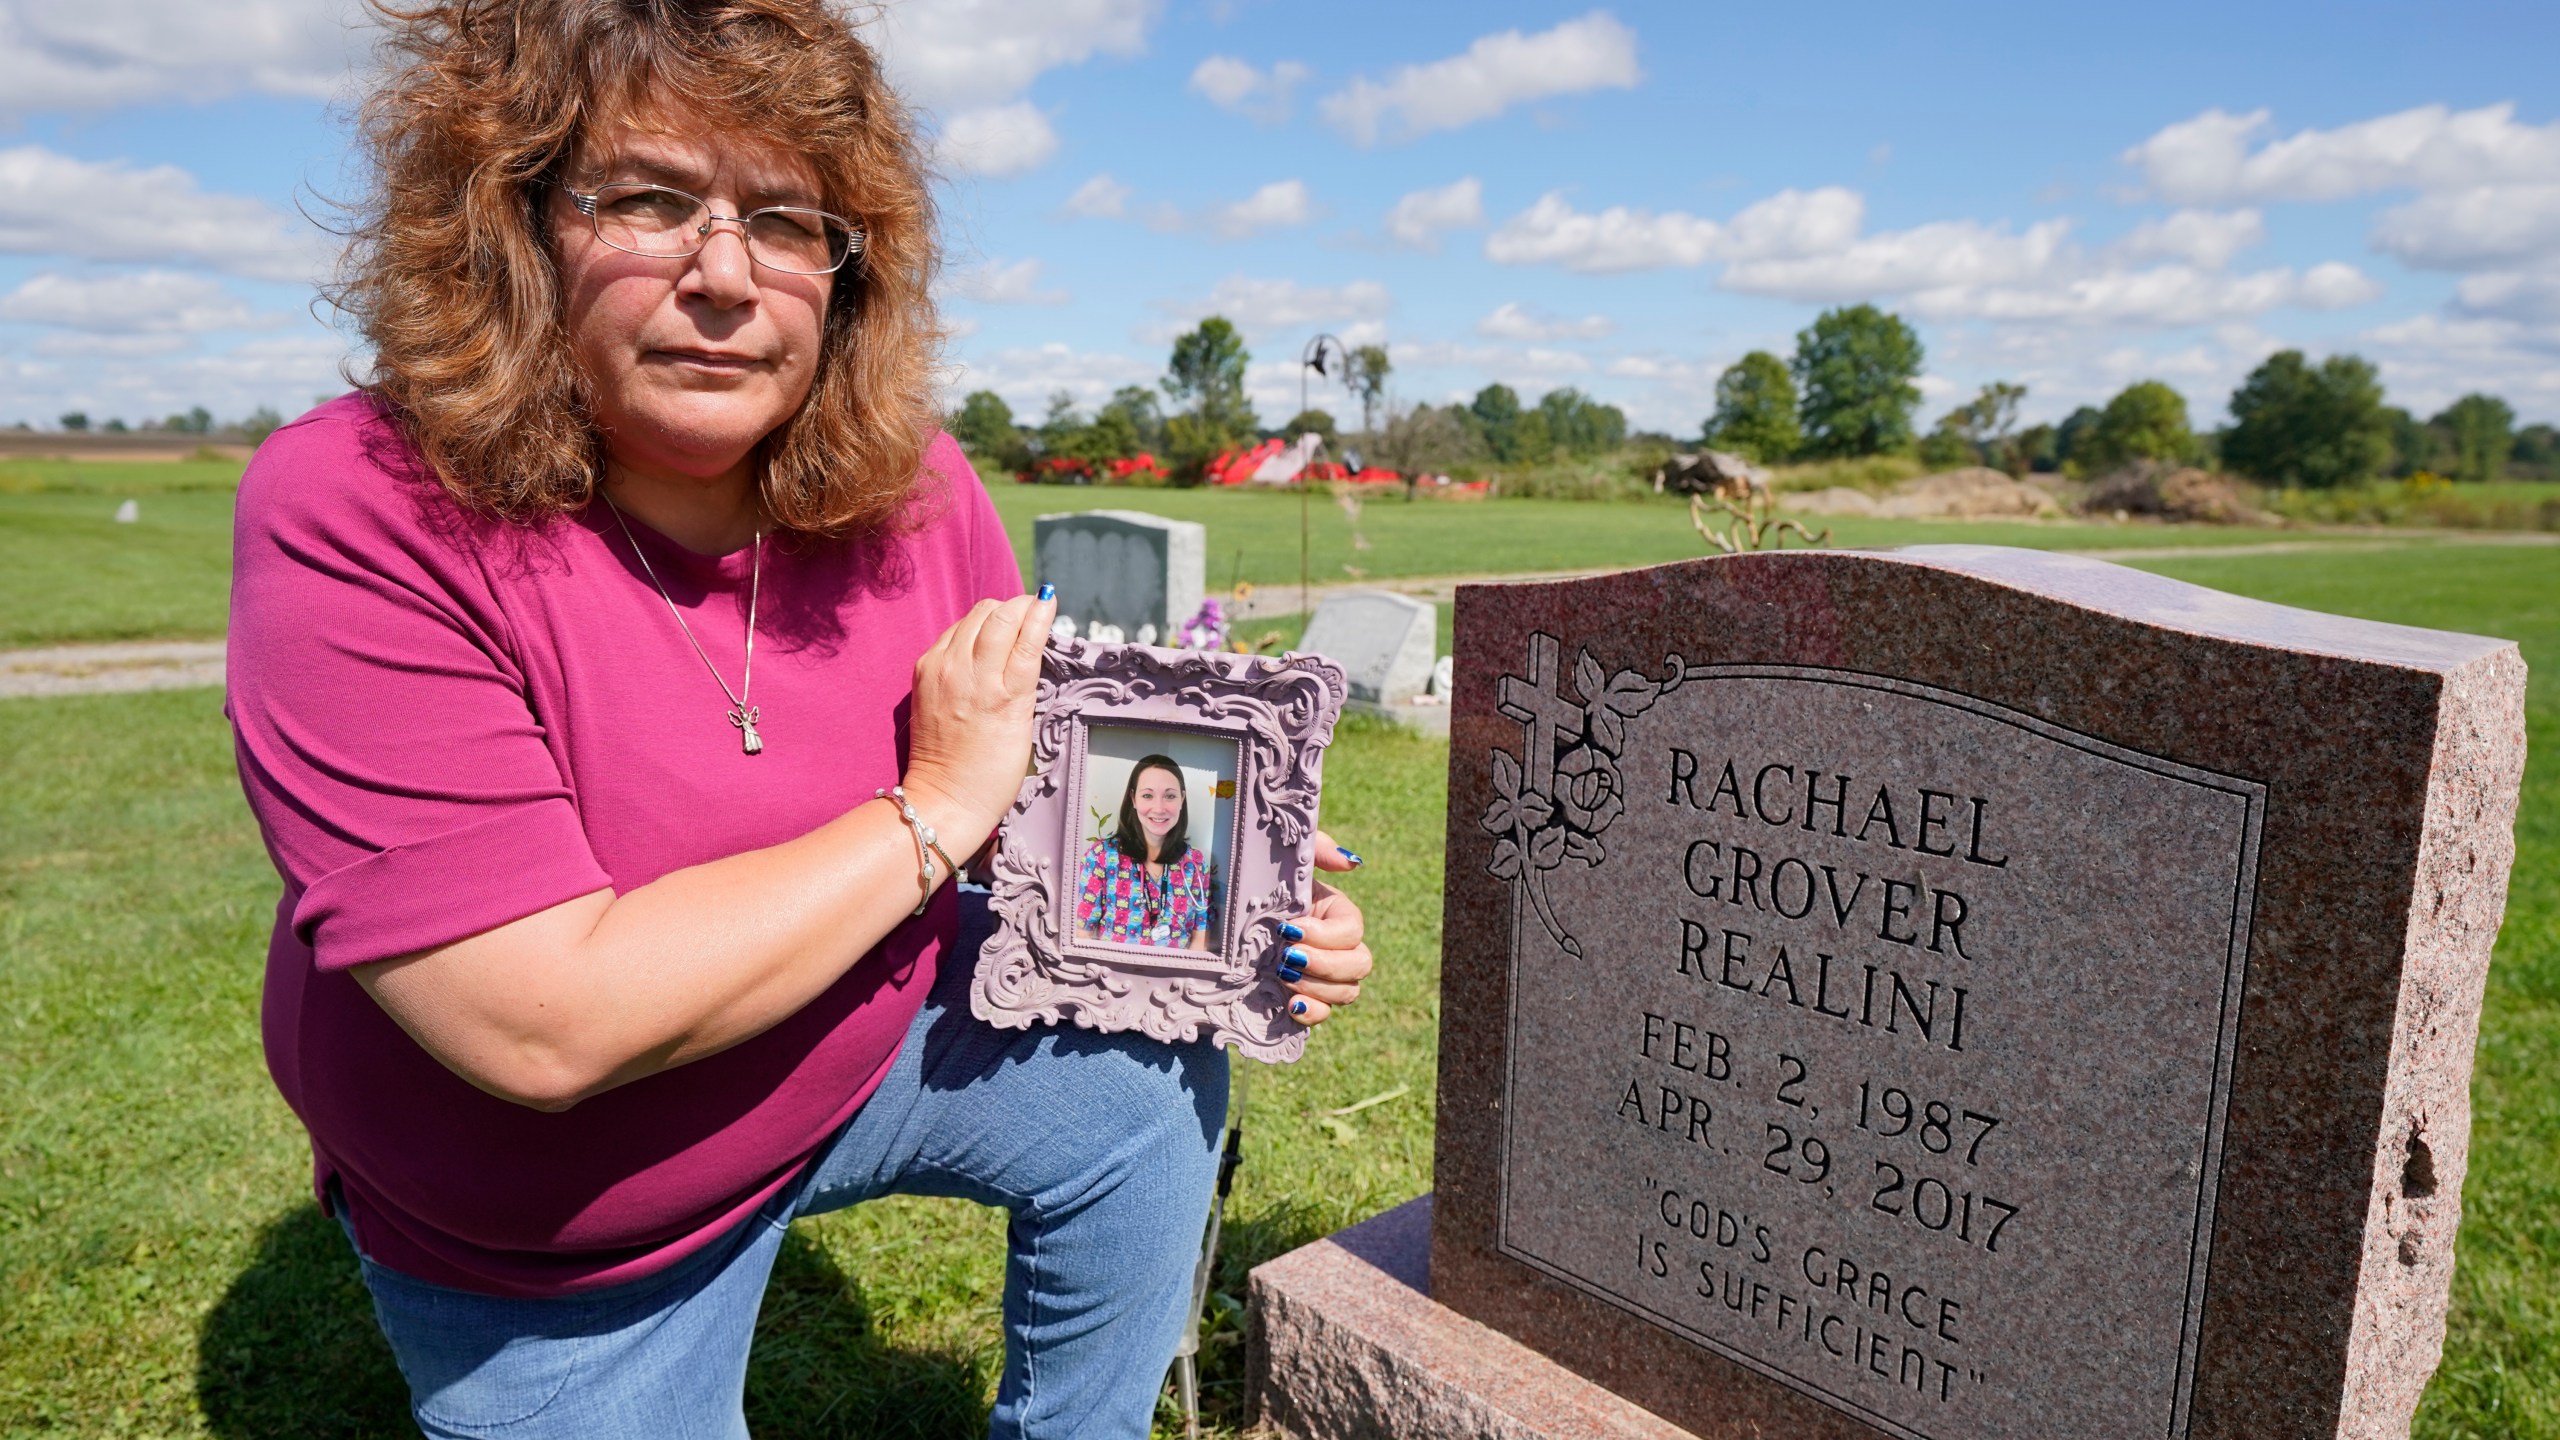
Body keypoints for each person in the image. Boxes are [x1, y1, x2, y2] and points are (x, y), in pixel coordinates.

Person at [222, 3, 1371, 1436]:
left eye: (783, 219)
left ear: (846, 269)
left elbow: (1026, 821)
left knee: (1147, 1066)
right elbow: (541, 1026)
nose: (725, 279)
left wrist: (1226, 904)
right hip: (561, 1224)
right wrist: (932, 808)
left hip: (858, 1047)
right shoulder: (365, 508)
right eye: (647, 200)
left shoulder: (918, 489)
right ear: (511, 230)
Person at [1079, 756, 1216, 950]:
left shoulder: (1195, 863)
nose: (1159, 808)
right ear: (1133, 799)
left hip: (1175, 978)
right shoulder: (1100, 856)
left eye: (1169, 796)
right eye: (1147, 796)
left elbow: (1200, 940)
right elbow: (1082, 933)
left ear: (1182, 799)